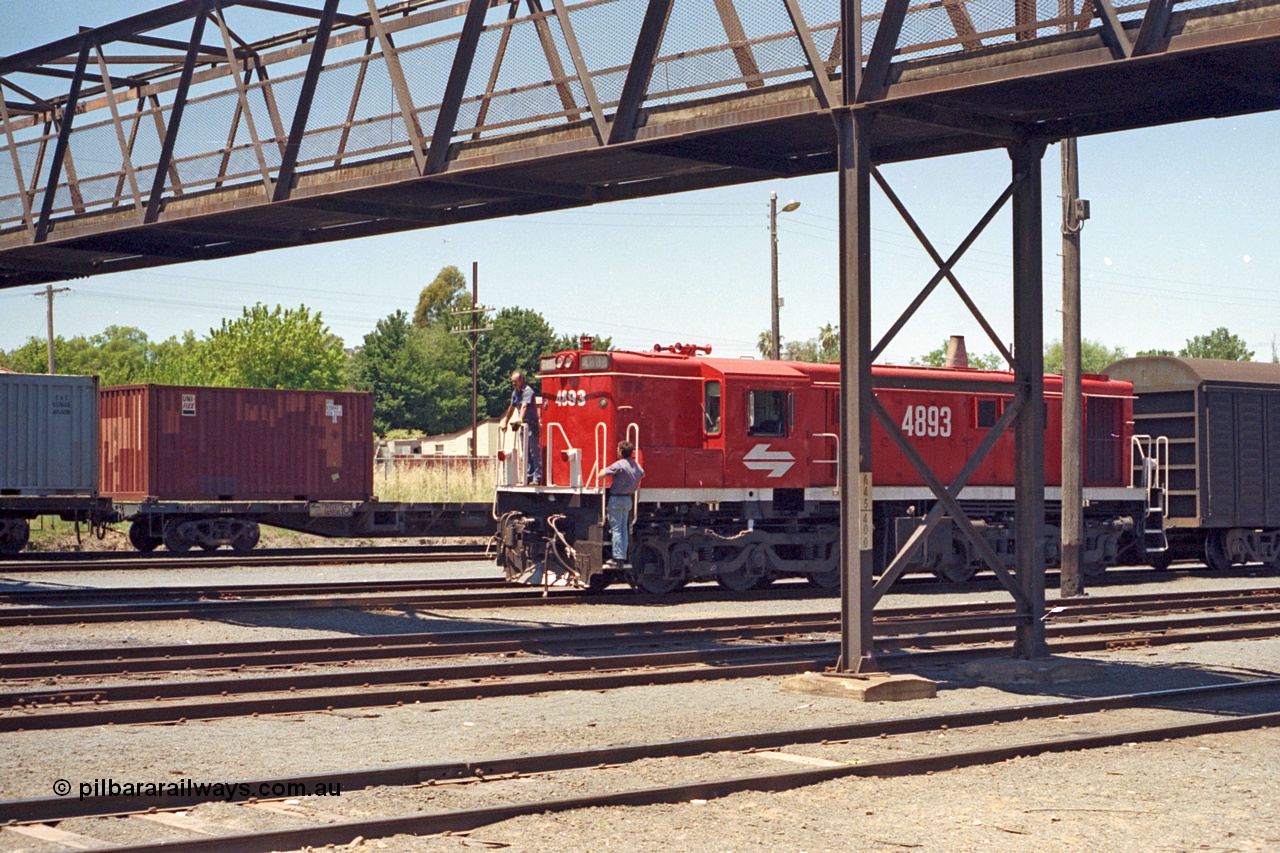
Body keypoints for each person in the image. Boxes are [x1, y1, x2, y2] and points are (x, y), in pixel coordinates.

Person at [601, 440, 644, 567]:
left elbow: (601, 474)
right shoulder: (636, 465)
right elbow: (642, 474)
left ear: (620, 451)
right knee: (624, 528)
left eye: (618, 450)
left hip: (617, 499)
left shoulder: (619, 465)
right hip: (628, 500)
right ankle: (623, 556)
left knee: (616, 529)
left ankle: (617, 558)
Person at [500, 369, 542, 485]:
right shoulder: (515, 393)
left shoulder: (528, 391)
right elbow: (512, 407)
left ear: (522, 380)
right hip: (523, 426)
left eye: (515, 381)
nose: (513, 384)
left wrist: (519, 420)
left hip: (531, 425)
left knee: (534, 452)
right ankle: (528, 477)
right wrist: (505, 421)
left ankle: (537, 478)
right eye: (512, 381)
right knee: (526, 452)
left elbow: (524, 406)